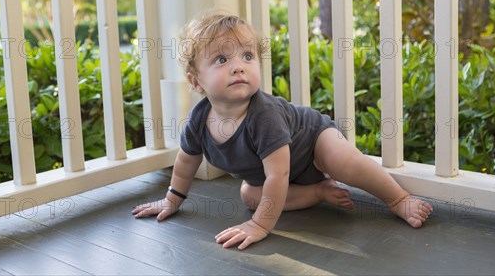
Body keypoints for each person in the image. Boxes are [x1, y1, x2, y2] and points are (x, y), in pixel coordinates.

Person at [132, 13, 432, 250]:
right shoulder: (198, 120)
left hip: (312, 142)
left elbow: (278, 175)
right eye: (222, 60)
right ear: (196, 82)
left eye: (247, 57)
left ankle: (397, 198)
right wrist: (172, 200)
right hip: (284, 173)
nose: (238, 67)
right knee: (249, 195)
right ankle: (317, 191)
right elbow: (186, 163)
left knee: (342, 161)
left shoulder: (263, 115)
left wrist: (260, 225)